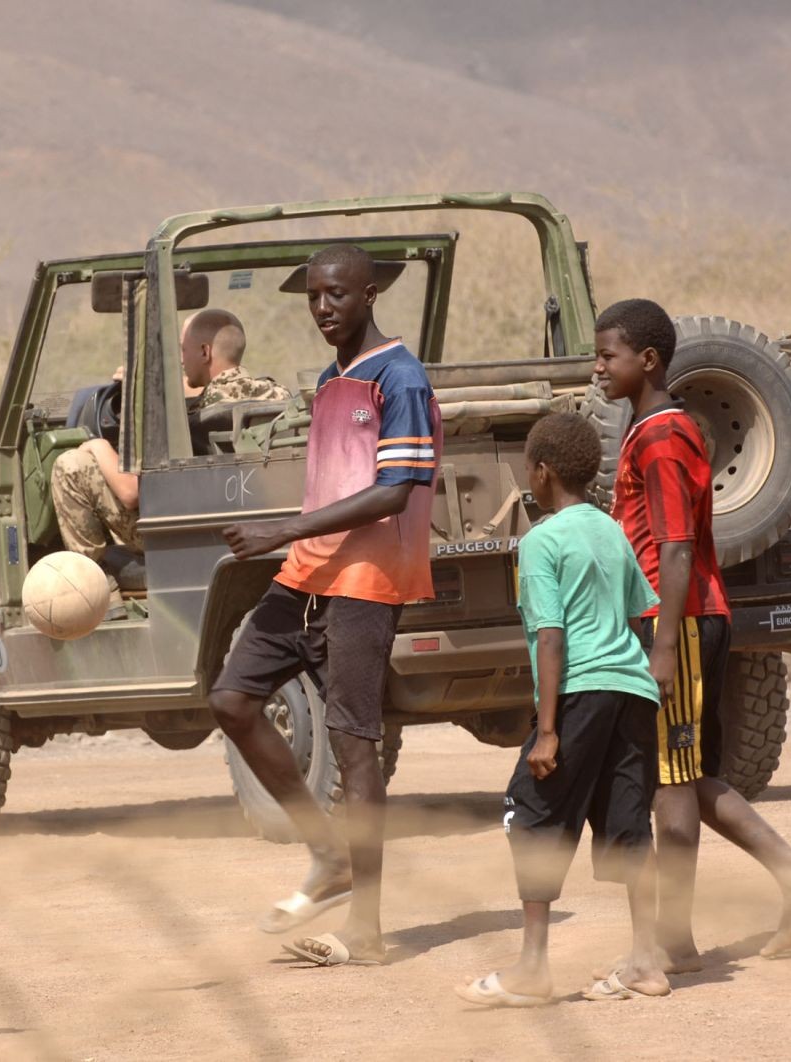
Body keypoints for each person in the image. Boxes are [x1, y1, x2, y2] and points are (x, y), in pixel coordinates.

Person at [593, 299, 791, 971]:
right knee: (682, 775)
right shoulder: (647, 429)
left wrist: (664, 644)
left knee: (672, 781)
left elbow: (676, 547)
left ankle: (676, 938)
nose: (597, 367)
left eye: (607, 354)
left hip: (679, 618)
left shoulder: (662, 436)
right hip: (678, 617)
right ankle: (786, 884)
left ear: (647, 360)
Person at [213, 243, 439, 967]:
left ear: (369, 294)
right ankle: (326, 852)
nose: (322, 307)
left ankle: (367, 928)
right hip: (309, 574)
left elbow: (393, 491)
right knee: (232, 699)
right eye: (313, 296)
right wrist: (294, 545)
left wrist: (281, 529)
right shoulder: (330, 377)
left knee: (354, 743)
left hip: (367, 580)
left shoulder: (400, 377)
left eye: (336, 294)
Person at [455, 413, 669, 1007]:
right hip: (632, 689)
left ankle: (532, 968)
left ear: (542, 472)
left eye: (529, 466)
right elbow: (633, 616)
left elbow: (551, 635)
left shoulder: (542, 540)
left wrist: (547, 732)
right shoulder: (612, 530)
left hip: (580, 692)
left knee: (532, 816)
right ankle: (647, 961)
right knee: (628, 822)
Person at [51, 308, 289, 563]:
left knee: (70, 466)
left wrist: (99, 447)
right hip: (265, 526)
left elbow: (132, 493)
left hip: (187, 536)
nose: (181, 361)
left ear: (205, 352)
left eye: (183, 351)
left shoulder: (184, 420)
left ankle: (103, 591)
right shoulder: (277, 397)